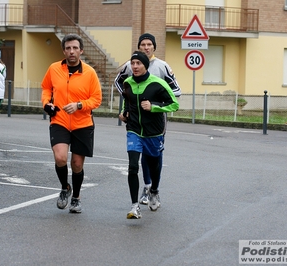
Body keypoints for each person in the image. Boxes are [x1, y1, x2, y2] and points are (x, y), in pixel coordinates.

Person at [115, 33, 182, 206]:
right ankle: (147, 186)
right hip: (136, 119)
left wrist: (155, 103)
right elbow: (119, 82)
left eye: (149, 45)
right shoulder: (131, 66)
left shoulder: (162, 66)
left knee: (154, 154)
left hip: (157, 116)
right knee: (139, 152)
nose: (146, 47)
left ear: (154, 47)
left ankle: (154, 188)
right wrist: (129, 104)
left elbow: (176, 91)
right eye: (143, 45)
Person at [41, 34, 102, 214]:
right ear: (64, 51)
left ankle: (76, 197)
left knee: (76, 163)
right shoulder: (54, 69)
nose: (71, 51)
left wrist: (79, 105)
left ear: (81, 50)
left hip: (82, 123)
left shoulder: (89, 73)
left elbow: (97, 99)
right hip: (59, 120)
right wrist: (46, 104)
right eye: (68, 48)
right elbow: (46, 88)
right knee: (60, 157)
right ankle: (64, 188)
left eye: (75, 48)